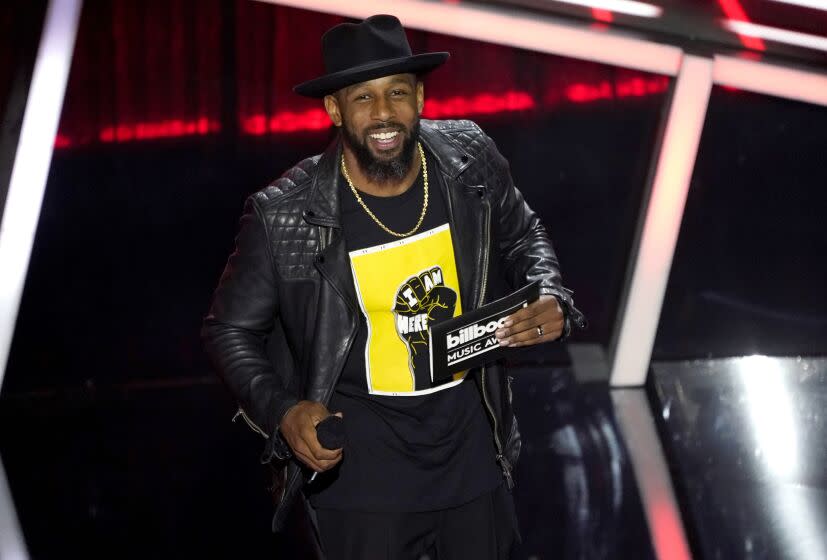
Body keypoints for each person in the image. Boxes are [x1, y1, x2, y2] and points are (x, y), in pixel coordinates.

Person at [202, 14, 585, 560]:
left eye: (397, 93)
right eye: (363, 98)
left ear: (420, 97)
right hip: (360, 478)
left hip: (472, 458)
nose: (383, 114)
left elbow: (524, 234)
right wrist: (283, 411)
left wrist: (551, 293)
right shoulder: (286, 213)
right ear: (334, 109)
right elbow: (228, 330)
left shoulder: (468, 160)